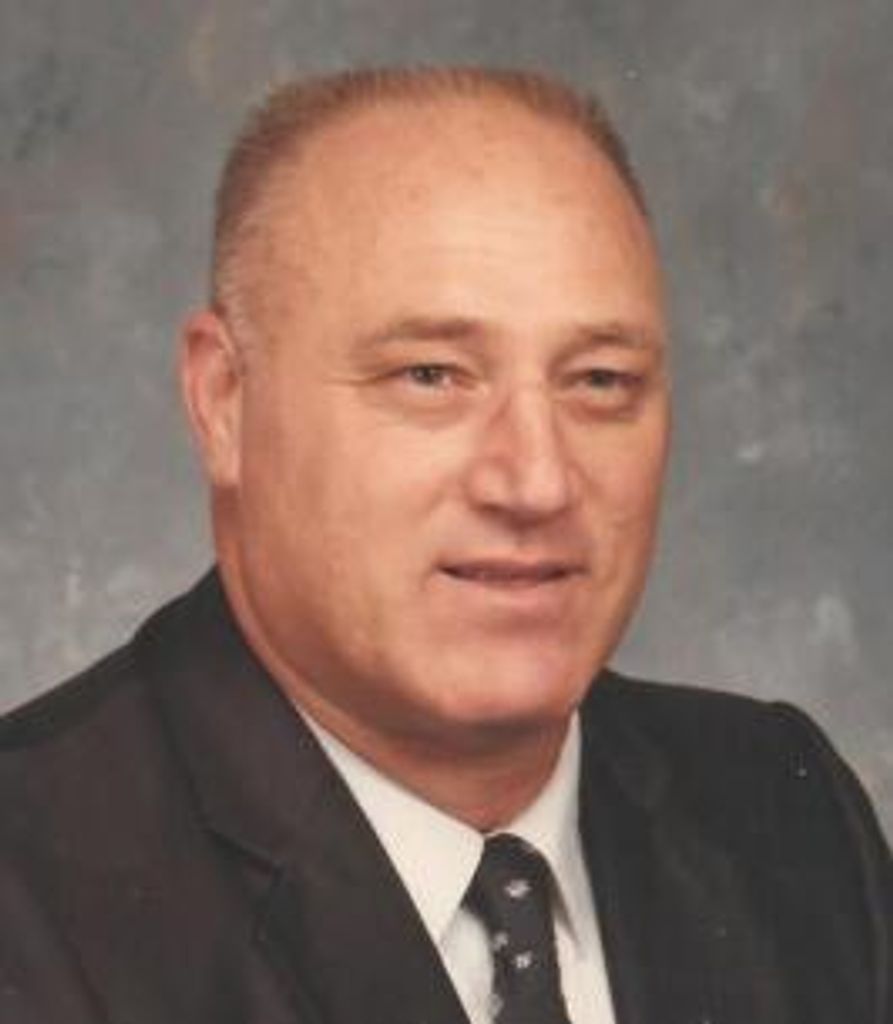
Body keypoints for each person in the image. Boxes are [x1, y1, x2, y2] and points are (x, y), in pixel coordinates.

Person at [0, 66, 889, 1024]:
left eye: (598, 380)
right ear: (224, 401)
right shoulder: (29, 891)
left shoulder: (787, 813)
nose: (536, 481)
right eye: (430, 375)